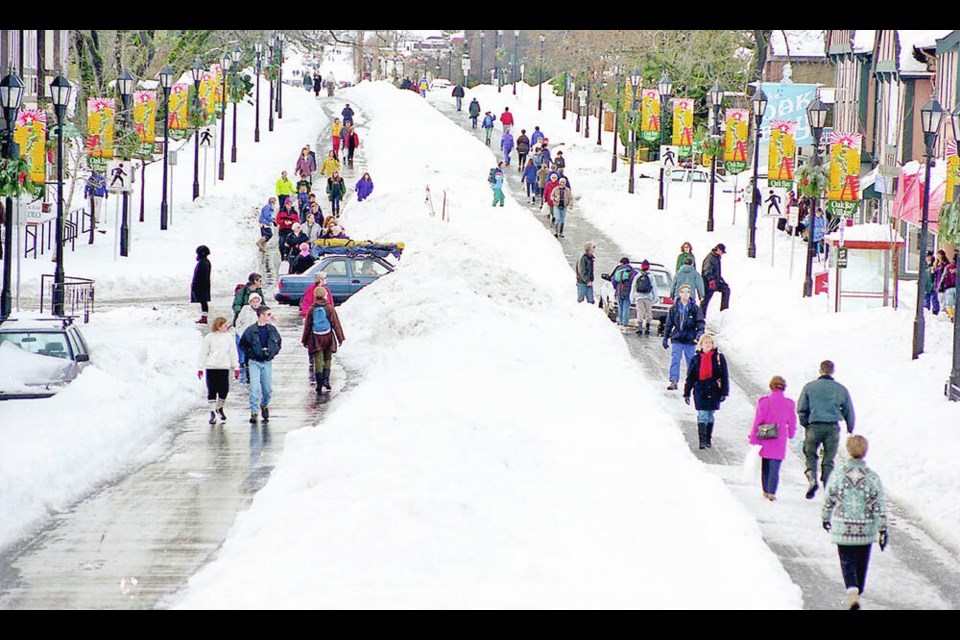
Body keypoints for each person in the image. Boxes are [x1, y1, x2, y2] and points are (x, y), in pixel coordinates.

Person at [822, 435, 888, 610]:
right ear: (865, 452)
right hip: (865, 531)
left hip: (843, 528)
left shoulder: (837, 474)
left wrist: (825, 517)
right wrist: (883, 529)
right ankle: (857, 592)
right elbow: (879, 504)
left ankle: (852, 594)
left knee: (847, 561)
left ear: (848, 450)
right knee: (861, 563)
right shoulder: (872, 478)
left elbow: (829, 498)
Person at [797, 359, 856, 499]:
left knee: (810, 452)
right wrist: (850, 427)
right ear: (833, 371)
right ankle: (827, 484)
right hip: (832, 427)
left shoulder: (809, 387)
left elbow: (801, 408)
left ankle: (812, 476)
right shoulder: (841, 389)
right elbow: (849, 410)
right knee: (829, 458)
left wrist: (805, 423)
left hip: (814, 426)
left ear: (820, 370)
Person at [748, 375, 797, 499]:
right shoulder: (789, 403)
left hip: (766, 435)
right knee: (775, 464)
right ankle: (772, 491)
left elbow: (758, 420)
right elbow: (792, 421)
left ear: (771, 386)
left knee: (765, 463)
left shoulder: (764, 401)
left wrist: (753, 436)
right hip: (780, 436)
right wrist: (791, 433)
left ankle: (765, 489)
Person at [683, 333, 729, 449]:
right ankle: (702, 440)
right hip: (701, 390)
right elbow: (691, 377)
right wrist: (687, 392)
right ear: (701, 344)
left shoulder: (719, 357)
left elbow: (724, 375)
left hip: (714, 390)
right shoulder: (696, 359)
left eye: (710, 342)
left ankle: (708, 438)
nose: (708, 345)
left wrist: (724, 392)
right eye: (706, 342)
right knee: (702, 414)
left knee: (710, 415)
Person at [239, 306, 282, 424]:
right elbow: (243, 344)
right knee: (254, 387)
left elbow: (278, 342)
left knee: (267, 389)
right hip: (254, 362)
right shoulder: (251, 330)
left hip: (267, 361)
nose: (270, 316)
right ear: (261, 315)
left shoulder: (272, 329)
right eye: (268, 314)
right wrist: (251, 354)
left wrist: (272, 352)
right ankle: (254, 411)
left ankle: (264, 405)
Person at [302, 288, 346, 393]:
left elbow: (308, 326)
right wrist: (340, 338)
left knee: (318, 360)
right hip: (328, 337)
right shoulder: (329, 308)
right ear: (325, 295)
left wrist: (304, 340)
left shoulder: (312, 309)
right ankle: (326, 380)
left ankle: (319, 383)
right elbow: (336, 323)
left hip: (315, 338)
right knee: (327, 358)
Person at [662, 284, 704, 391]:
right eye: (683, 292)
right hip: (677, 337)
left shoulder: (695, 309)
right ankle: (674, 380)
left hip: (690, 339)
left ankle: (692, 381)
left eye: (688, 292)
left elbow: (700, 322)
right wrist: (666, 337)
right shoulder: (674, 308)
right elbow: (669, 323)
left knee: (691, 361)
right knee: (675, 359)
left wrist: (699, 333)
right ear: (679, 294)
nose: (685, 294)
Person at [199, 317, 240, 425]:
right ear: (218, 326)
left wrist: (236, 366)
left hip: (224, 367)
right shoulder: (209, 337)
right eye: (225, 325)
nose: (226, 327)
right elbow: (204, 353)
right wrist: (200, 368)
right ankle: (212, 411)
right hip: (211, 367)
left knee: (224, 390)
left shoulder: (228, 337)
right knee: (212, 390)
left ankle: (220, 407)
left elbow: (232, 352)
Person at [235, 293, 262, 384]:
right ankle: (245, 368)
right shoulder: (245, 309)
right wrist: (239, 331)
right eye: (253, 301)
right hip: (245, 334)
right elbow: (239, 321)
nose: (255, 303)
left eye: (257, 301)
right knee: (245, 352)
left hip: (257, 337)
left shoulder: (262, 310)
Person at [701, 243, 730, 317]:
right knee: (706, 300)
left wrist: (721, 280)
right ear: (718, 249)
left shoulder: (717, 257)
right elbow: (707, 270)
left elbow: (717, 272)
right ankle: (701, 316)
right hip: (708, 283)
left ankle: (724, 312)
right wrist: (711, 280)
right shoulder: (710, 258)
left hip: (716, 281)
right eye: (722, 252)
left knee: (726, 289)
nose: (722, 254)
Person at [632, 260, 659, 336]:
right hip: (648, 297)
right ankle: (647, 327)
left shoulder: (637, 276)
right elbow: (654, 287)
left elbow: (633, 287)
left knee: (640, 312)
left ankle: (640, 328)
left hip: (639, 297)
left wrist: (632, 297)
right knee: (648, 312)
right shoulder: (651, 276)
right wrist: (655, 297)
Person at [610, 258, 638, 330]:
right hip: (628, 291)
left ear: (622, 263)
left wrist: (616, 287)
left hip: (619, 290)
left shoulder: (618, 270)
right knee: (626, 307)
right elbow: (635, 281)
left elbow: (614, 281)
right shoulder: (633, 271)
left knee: (620, 307)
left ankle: (621, 321)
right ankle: (625, 323)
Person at [191, 245, 212, 324]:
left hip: (201, 286)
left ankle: (204, 317)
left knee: (203, 302)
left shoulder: (203, 262)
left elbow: (199, 275)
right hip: (203, 285)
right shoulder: (205, 262)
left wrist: (195, 285)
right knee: (203, 302)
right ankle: (204, 317)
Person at [938, 252, 957, 322]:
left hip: (949, 287)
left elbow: (944, 277)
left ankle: (952, 315)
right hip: (957, 287)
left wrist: (940, 287)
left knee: (949, 303)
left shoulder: (948, 267)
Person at [922, 251, 939, 316]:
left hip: (932, 284)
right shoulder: (925, 265)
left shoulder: (934, 264)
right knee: (926, 298)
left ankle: (935, 311)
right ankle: (926, 309)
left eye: (929, 256)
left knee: (934, 298)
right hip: (926, 284)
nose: (928, 257)